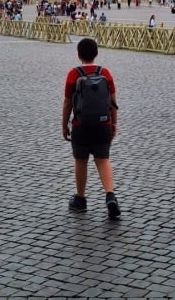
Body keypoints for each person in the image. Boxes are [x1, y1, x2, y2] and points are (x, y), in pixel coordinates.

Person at [62, 38, 120, 219]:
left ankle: (80, 199)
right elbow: (113, 102)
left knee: (81, 160)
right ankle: (110, 195)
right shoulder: (106, 73)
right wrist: (113, 123)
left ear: (79, 55)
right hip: (103, 124)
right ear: (96, 53)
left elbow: (67, 103)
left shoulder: (73, 74)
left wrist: (64, 124)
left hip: (81, 125)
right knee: (103, 160)